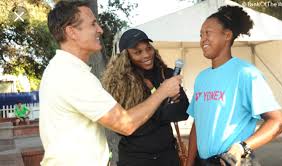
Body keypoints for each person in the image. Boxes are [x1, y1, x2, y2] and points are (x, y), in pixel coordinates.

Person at [39, 1, 182, 166]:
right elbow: (125, 124)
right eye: (93, 24)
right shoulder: (70, 75)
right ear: (71, 32)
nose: (100, 29)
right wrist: (163, 92)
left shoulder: (65, 69)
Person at [186, 5, 282, 166]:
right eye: (200, 35)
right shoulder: (201, 78)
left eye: (208, 33)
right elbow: (198, 123)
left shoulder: (245, 73)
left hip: (234, 162)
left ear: (227, 35)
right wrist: (189, 162)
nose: (202, 39)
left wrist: (242, 148)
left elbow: (277, 122)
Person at [102, 28, 189, 166]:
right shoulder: (119, 83)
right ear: (126, 56)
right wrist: (163, 106)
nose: (146, 55)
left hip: (168, 156)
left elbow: (183, 112)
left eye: (148, 48)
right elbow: (128, 128)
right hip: (135, 159)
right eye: (138, 52)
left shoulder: (166, 74)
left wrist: (145, 113)